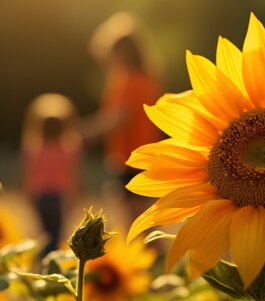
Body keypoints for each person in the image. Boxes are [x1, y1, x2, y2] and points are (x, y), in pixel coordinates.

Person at [84, 12, 162, 222]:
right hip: (140, 156)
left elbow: (118, 119)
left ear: (122, 53)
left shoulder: (129, 80)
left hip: (132, 158)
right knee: (142, 219)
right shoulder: (147, 78)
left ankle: (153, 255)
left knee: (138, 220)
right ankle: (154, 255)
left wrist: (84, 132)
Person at [22, 94, 82, 257]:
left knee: (44, 232)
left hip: (41, 196)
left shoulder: (35, 149)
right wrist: (75, 196)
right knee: (57, 232)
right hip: (58, 197)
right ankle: (53, 260)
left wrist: (28, 195)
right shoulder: (68, 150)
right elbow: (72, 176)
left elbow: (29, 175)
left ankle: (45, 259)